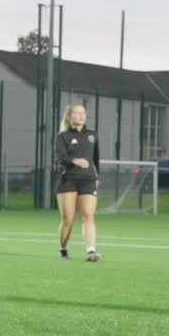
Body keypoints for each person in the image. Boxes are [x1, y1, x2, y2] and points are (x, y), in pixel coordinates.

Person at [56, 104, 101, 262]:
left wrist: (98, 177)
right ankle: (63, 249)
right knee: (68, 219)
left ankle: (91, 251)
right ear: (69, 116)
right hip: (68, 180)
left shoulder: (92, 135)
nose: (81, 116)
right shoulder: (62, 136)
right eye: (77, 113)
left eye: (83, 113)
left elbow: (96, 160)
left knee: (88, 216)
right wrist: (75, 160)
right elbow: (61, 158)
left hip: (88, 180)